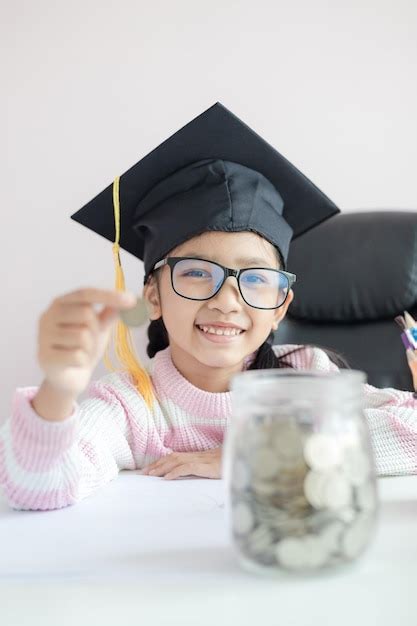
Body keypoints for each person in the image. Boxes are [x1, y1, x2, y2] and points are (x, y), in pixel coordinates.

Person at [1, 103, 416, 512]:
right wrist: (57, 388)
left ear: (279, 307)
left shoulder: (305, 378)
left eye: (255, 278)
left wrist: (255, 454)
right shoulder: (132, 405)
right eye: (198, 272)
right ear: (154, 297)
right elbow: (39, 488)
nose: (226, 300)